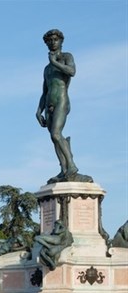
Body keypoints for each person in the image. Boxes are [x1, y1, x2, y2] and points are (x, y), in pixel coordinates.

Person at [36, 29, 91, 184]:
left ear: (61, 41)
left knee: (56, 134)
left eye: (55, 39)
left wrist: (54, 62)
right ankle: (64, 169)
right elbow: (45, 91)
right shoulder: (47, 69)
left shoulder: (67, 57)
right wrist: (39, 110)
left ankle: (72, 166)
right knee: (55, 138)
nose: (52, 42)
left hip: (61, 100)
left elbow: (72, 71)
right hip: (49, 104)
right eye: (49, 41)